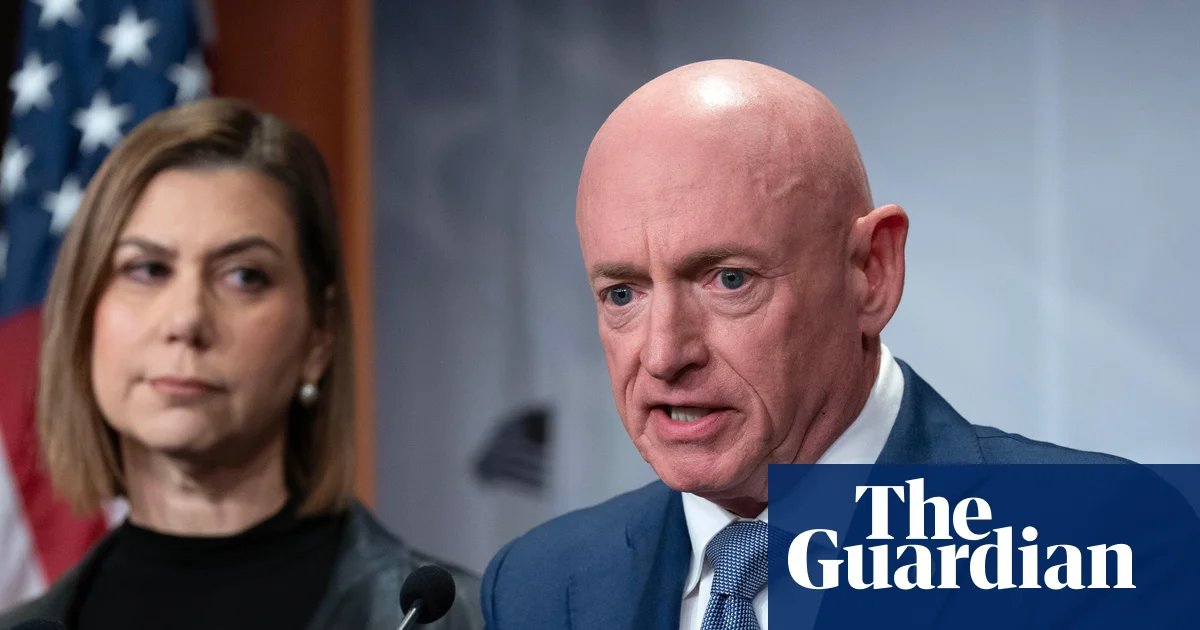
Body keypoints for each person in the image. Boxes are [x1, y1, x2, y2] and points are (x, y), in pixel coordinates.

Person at [481, 59, 1126, 629]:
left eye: (729, 279)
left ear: (872, 271)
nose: (663, 355)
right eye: (623, 293)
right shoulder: (538, 587)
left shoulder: (1095, 544)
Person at [0, 99, 481, 630]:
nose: (186, 319)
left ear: (319, 337)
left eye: (244, 276)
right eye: (148, 269)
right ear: (84, 311)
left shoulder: (454, 620)